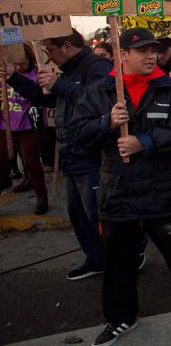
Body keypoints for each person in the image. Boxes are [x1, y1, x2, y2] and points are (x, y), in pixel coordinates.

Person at [71, 28, 171, 345]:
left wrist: (143, 142)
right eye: (142, 51)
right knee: (118, 261)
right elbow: (80, 133)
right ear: (123, 55)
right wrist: (107, 123)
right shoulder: (100, 92)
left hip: (166, 192)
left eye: (153, 50)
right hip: (119, 193)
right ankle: (120, 317)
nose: (150, 56)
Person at [0, 30, 113, 280]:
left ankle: (124, 258)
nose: (48, 56)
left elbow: (98, 102)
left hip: (93, 155)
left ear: (66, 46)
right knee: (79, 215)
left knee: (100, 216)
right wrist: (14, 78)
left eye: (50, 50)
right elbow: (47, 99)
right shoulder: (68, 70)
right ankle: (96, 259)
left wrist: (58, 84)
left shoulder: (97, 66)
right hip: (72, 154)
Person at [0, 44, 48, 213]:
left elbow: (38, 95)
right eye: (16, 64)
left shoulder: (38, 73)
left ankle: (41, 196)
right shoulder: (3, 73)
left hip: (29, 123)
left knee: (30, 160)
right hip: (6, 122)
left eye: (23, 63)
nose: (19, 67)